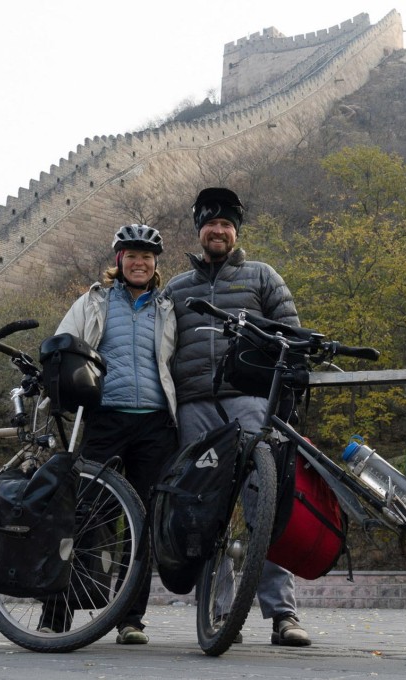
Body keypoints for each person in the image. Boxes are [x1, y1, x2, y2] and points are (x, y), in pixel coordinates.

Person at [163, 187, 312, 647]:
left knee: (263, 503)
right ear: (199, 231)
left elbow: (292, 332)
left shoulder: (262, 276)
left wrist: (290, 386)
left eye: (227, 224)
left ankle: (282, 614)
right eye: (211, 224)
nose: (219, 231)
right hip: (193, 407)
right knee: (204, 512)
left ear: (236, 231)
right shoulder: (175, 288)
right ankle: (220, 611)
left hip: (250, 400)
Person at [45, 223, 178, 645]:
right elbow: (63, 343)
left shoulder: (169, 307)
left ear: (155, 264)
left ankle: (130, 620)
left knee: (145, 523)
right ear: (119, 262)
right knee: (82, 514)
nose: (139, 263)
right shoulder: (94, 301)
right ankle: (57, 614)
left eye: (147, 257)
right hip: (104, 417)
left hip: (156, 423)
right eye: (131, 256)